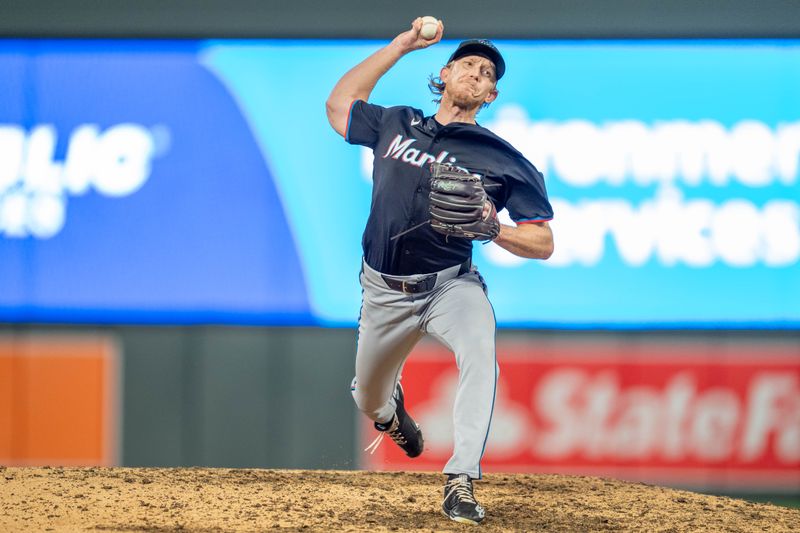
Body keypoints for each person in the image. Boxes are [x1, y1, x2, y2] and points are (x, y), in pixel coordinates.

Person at [325, 17, 554, 525]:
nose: (478, 72)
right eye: (468, 64)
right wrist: (401, 45)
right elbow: (338, 105)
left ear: (491, 95)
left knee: (481, 354)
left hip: (451, 285)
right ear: (445, 74)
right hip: (382, 290)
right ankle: (391, 413)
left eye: (488, 72)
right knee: (368, 397)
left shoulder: (504, 160)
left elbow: (543, 242)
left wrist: (496, 231)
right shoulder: (397, 122)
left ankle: (461, 481)